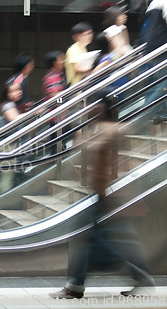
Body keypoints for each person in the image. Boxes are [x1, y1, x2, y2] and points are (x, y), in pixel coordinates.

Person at [49, 94, 155, 299]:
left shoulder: (116, 129)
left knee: (102, 241)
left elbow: (112, 157)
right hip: (101, 193)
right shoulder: (95, 129)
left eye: (92, 106)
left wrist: (84, 137)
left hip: (113, 195)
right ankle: (77, 284)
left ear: (103, 107)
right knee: (100, 239)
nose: (88, 109)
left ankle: (77, 285)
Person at [143, 0, 167, 124]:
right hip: (162, 44)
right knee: (163, 83)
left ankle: (159, 113)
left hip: (153, 45)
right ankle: (143, 117)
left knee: (158, 82)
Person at [65, 22, 94, 87]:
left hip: (83, 85)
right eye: (86, 34)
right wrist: (93, 68)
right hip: (76, 87)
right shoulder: (73, 49)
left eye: (91, 33)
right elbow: (78, 68)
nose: (90, 36)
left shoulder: (83, 49)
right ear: (77, 36)